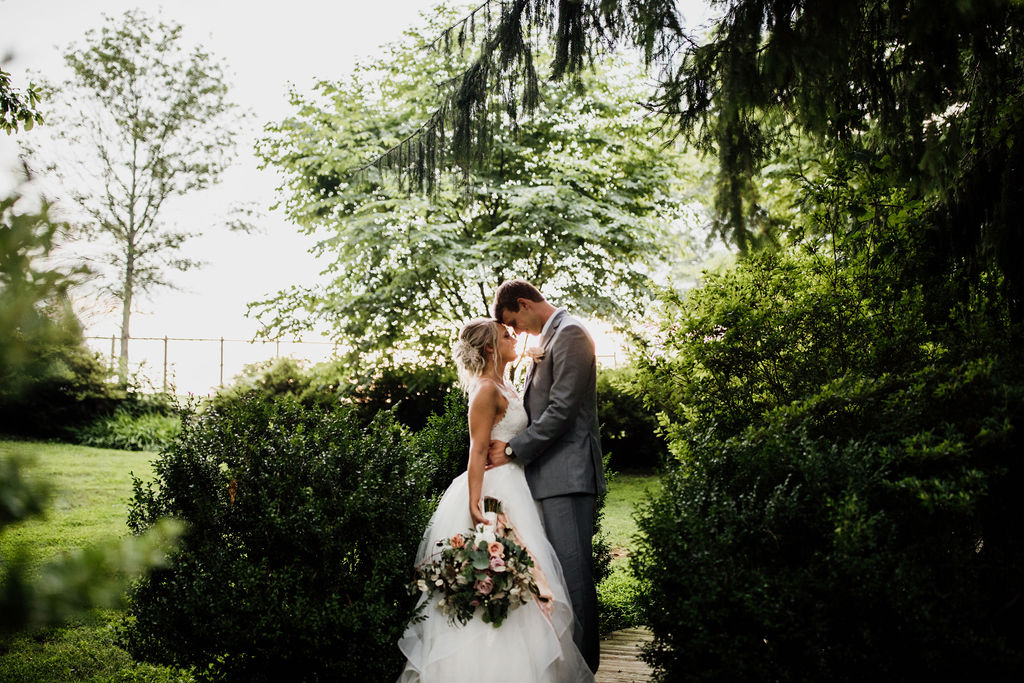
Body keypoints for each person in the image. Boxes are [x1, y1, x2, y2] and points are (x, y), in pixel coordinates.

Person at [397, 318, 593, 683]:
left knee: (527, 585)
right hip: (496, 493)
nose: (515, 338)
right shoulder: (485, 389)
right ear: (489, 348)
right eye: (507, 336)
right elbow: (476, 450)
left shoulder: (506, 383)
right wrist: (476, 505)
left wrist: (538, 355)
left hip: (520, 487)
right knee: (500, 582)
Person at [486, 279, 605, 673]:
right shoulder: (551, 338)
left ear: (523, 303)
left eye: (513, 322)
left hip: (567, 477)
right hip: (546, 476)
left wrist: (514, 449)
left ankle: (585, 671)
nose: (516, 332)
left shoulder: (570, 334)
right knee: (556, 583)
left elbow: (562, 410)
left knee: (573, 578)